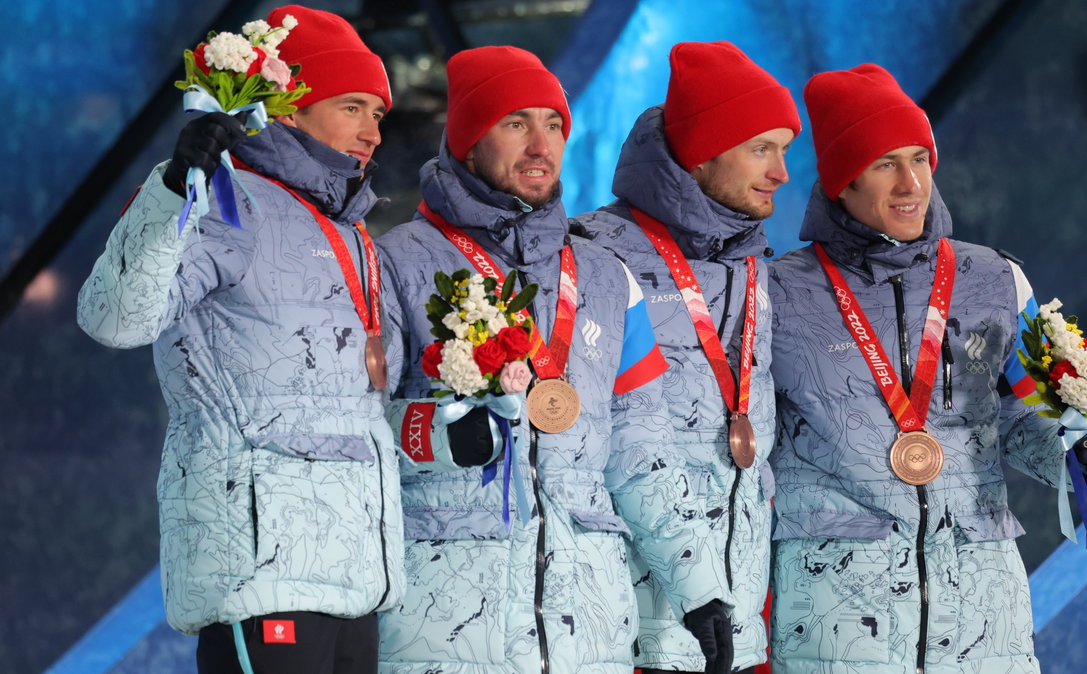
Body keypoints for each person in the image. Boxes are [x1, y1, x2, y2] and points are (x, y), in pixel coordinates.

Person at [374, 46, 735, 674]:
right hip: (449, 627)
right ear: (465, 140)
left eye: (554, 125)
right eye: (516, 123)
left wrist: (700, 587)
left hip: (586, 631)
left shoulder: (605, 276)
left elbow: (641, 447)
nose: (541, 144)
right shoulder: (396, 263)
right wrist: (437, 432)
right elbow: (361, 421)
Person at [76, 6, 402, 673]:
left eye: (378, 113)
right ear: (287, 109)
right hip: (261, 573)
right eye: (352, 107)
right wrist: (173, 189)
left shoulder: (353, 234)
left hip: (357, 577)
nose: (373, 131)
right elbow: (113, 318)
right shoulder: (227, 200)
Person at [767, 63, 1087, 673]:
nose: (911, 183)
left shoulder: (994, 277)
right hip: (839, 620)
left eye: (920, 159)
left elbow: (1021, 410)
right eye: (884, 164)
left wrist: (1079, 449)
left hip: (984, 613)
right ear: (840, 182)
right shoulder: (778, 293)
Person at [572, 41, 799, 674]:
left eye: (784, 150)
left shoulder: (754, 267)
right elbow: (606, 441)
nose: (781, 172)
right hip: (633, 624)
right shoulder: (593, 254)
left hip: (741, 621)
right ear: (700, 156)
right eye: (762, 149)